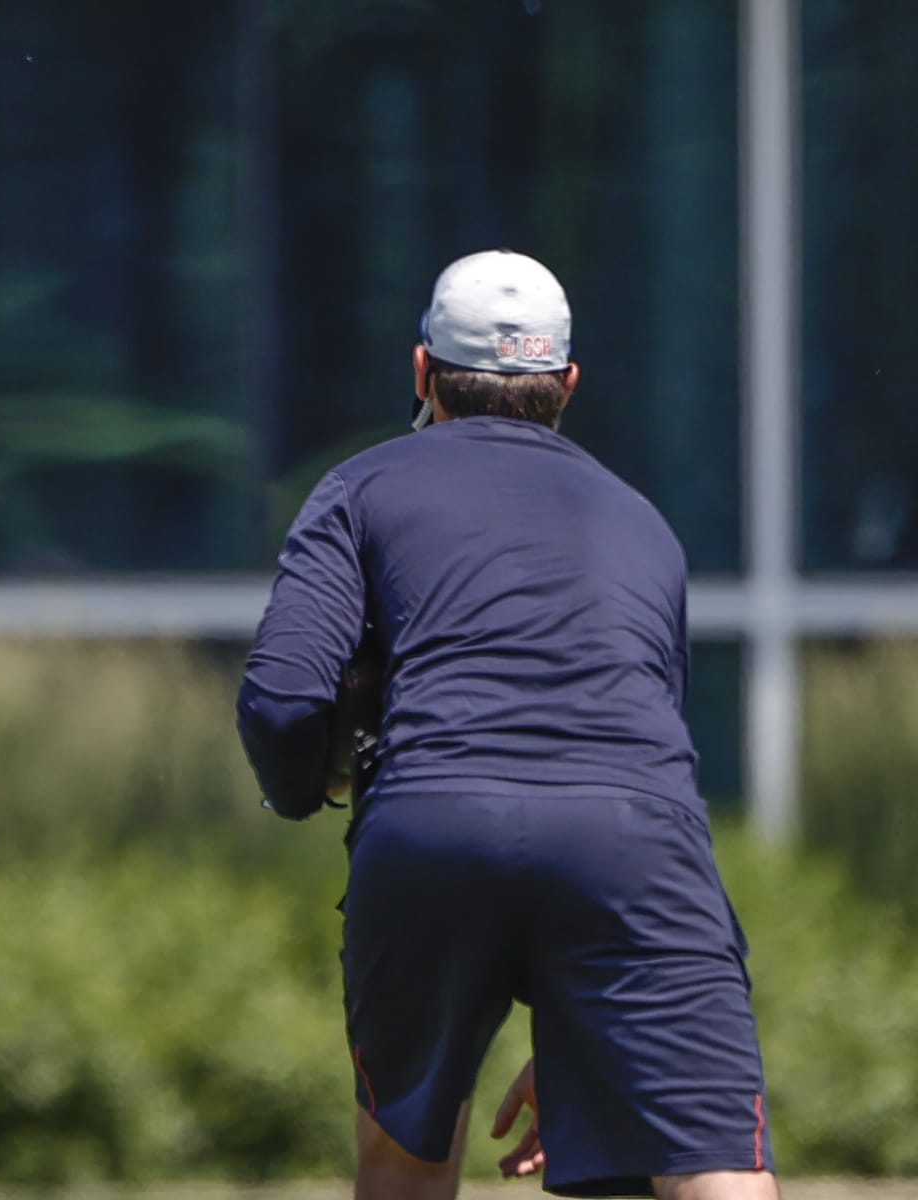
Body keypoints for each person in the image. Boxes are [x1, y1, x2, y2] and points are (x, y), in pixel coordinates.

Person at [236, 249, 779, 1200]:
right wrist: (594, 1032)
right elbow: (650, 745)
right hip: (633, 841)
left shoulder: (360, 488)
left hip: (430, 826)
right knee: (718, 1176)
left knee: (402, 1163)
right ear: (567, 384)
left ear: (422, 373)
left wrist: (303, 795)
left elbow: (283, 698)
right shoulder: (641, 519)